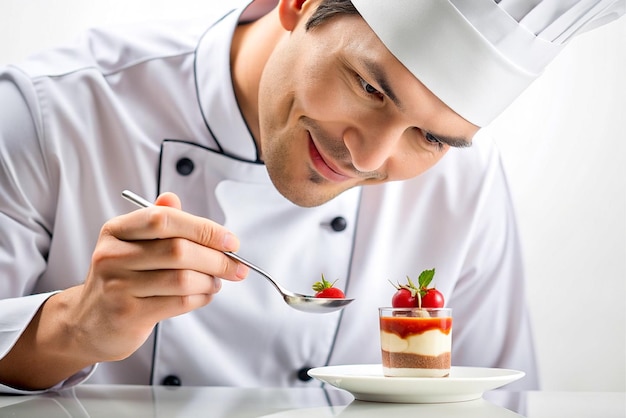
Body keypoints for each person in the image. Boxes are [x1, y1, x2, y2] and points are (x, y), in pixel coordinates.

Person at [0, 0, 622, 394]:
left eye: (429, 136)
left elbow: (497, 399)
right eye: (371, 88)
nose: (370, 158)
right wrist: (77, 325)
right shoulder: (52, 109)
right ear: (297, 5)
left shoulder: (466, 180)